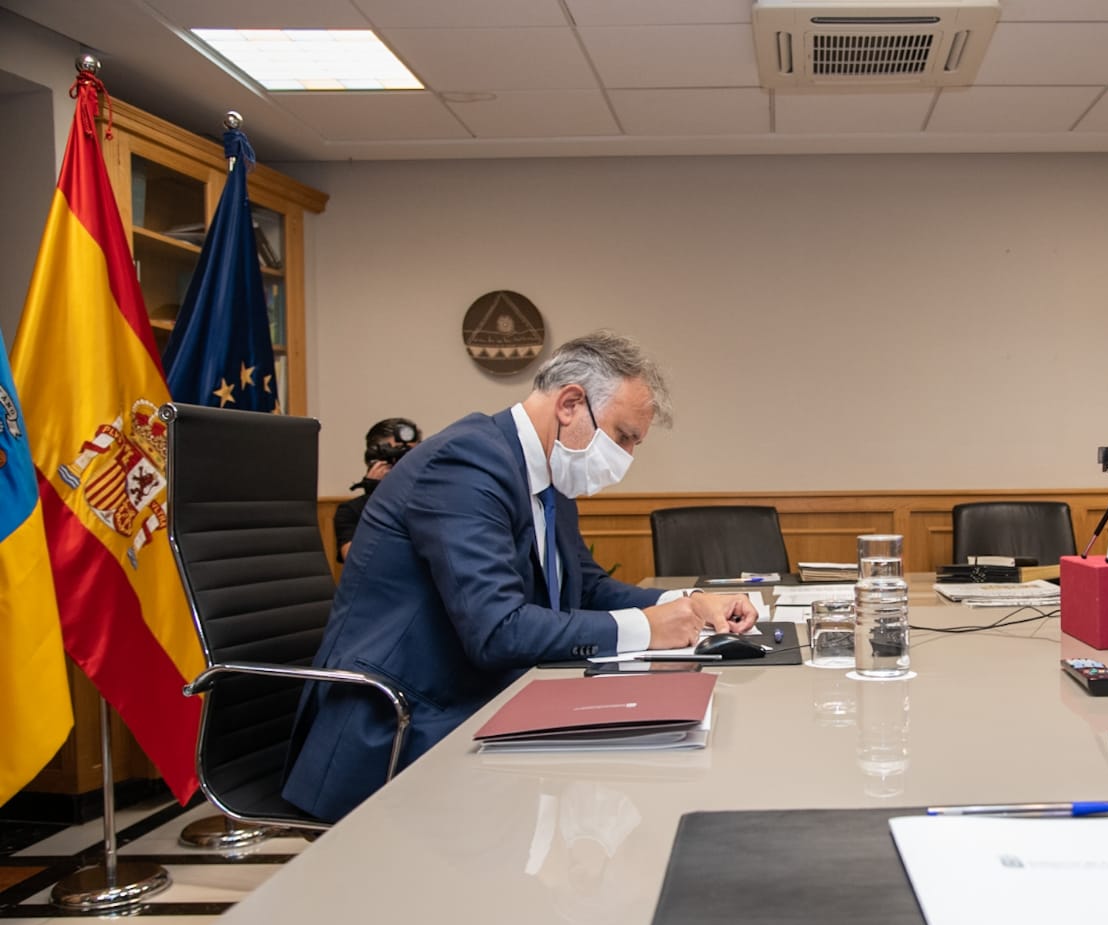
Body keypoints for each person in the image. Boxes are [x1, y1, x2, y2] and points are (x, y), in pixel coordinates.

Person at [284, 332, 757, 822]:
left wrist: (693, 601)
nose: (626, 457)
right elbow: (499, 631)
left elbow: (587, 588)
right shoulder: (466, 465)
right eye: (623, 436)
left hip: (480, 697)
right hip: (400, 724)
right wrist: (647, 627)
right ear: (571, 403)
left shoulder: (547, 473)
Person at [334, 418, 422, 563]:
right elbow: (356, 562)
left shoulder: (429, 500)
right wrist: (376, 497)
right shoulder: (351, 511)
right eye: (399, 455)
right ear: (374, 459)